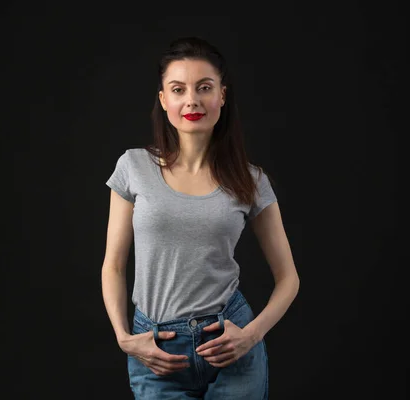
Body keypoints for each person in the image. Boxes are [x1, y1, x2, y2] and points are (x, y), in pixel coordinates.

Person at [101, 36, 300, 399]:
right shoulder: (133, 166)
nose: (191, 99)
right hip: (156, 349)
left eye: (204, 88)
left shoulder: (251, 180)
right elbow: (113, 265)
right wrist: (124, 338)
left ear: (222, 95)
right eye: (178, 89)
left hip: (229, 341)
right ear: (164, 100)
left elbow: (289, 278)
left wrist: (251, 335)